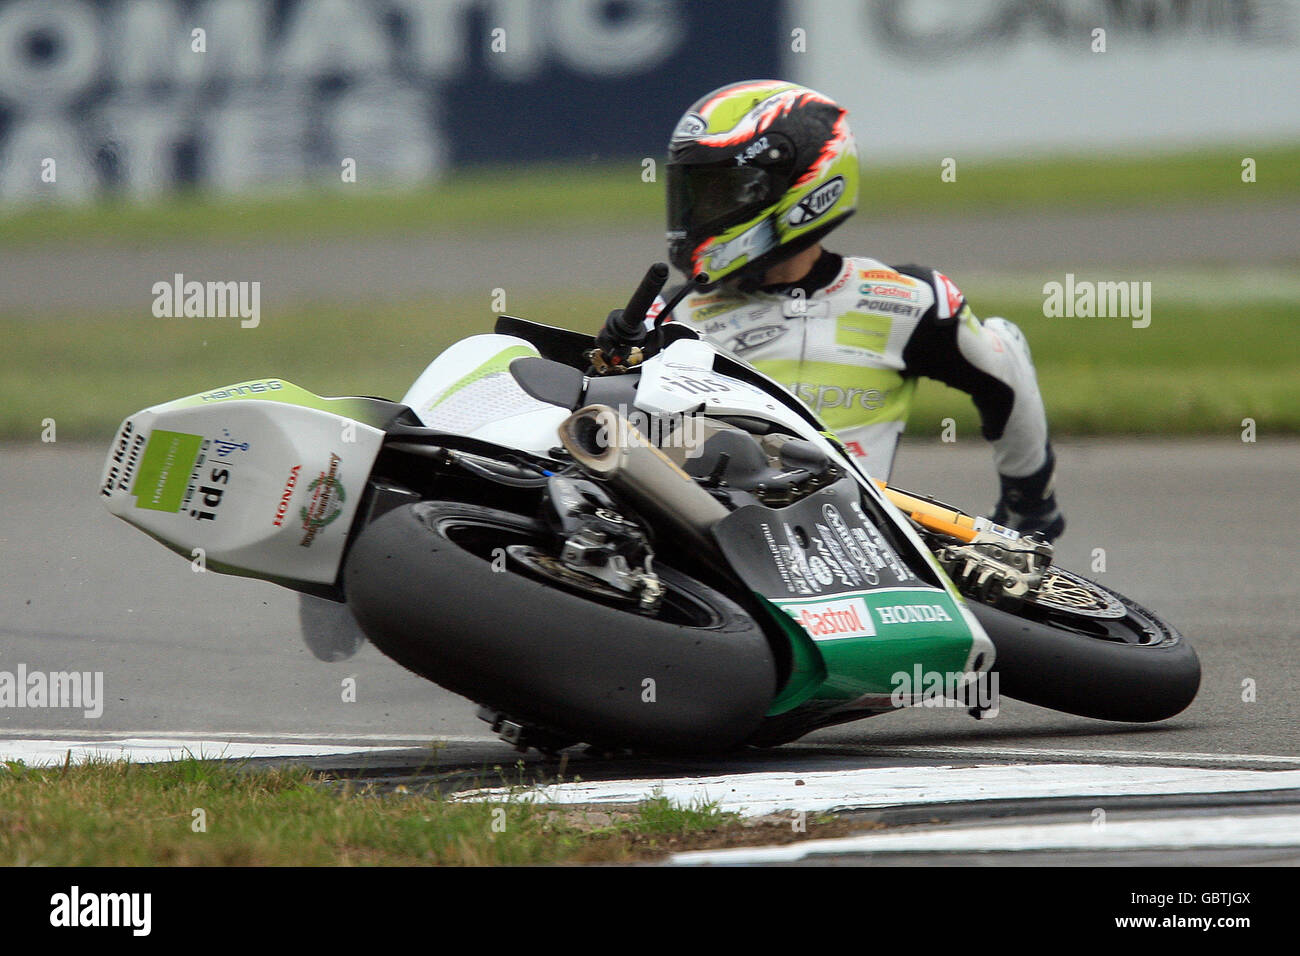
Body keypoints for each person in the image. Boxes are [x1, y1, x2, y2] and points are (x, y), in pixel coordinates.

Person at [656, 79, 1064, 541]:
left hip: (856, 558)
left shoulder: (908, 301)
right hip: (709, 548)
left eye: (719, 194)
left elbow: (1004, 364)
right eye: (695, 195)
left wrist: (1029, 511)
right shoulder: (668, 316)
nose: (698, 214)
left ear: (803, 190)